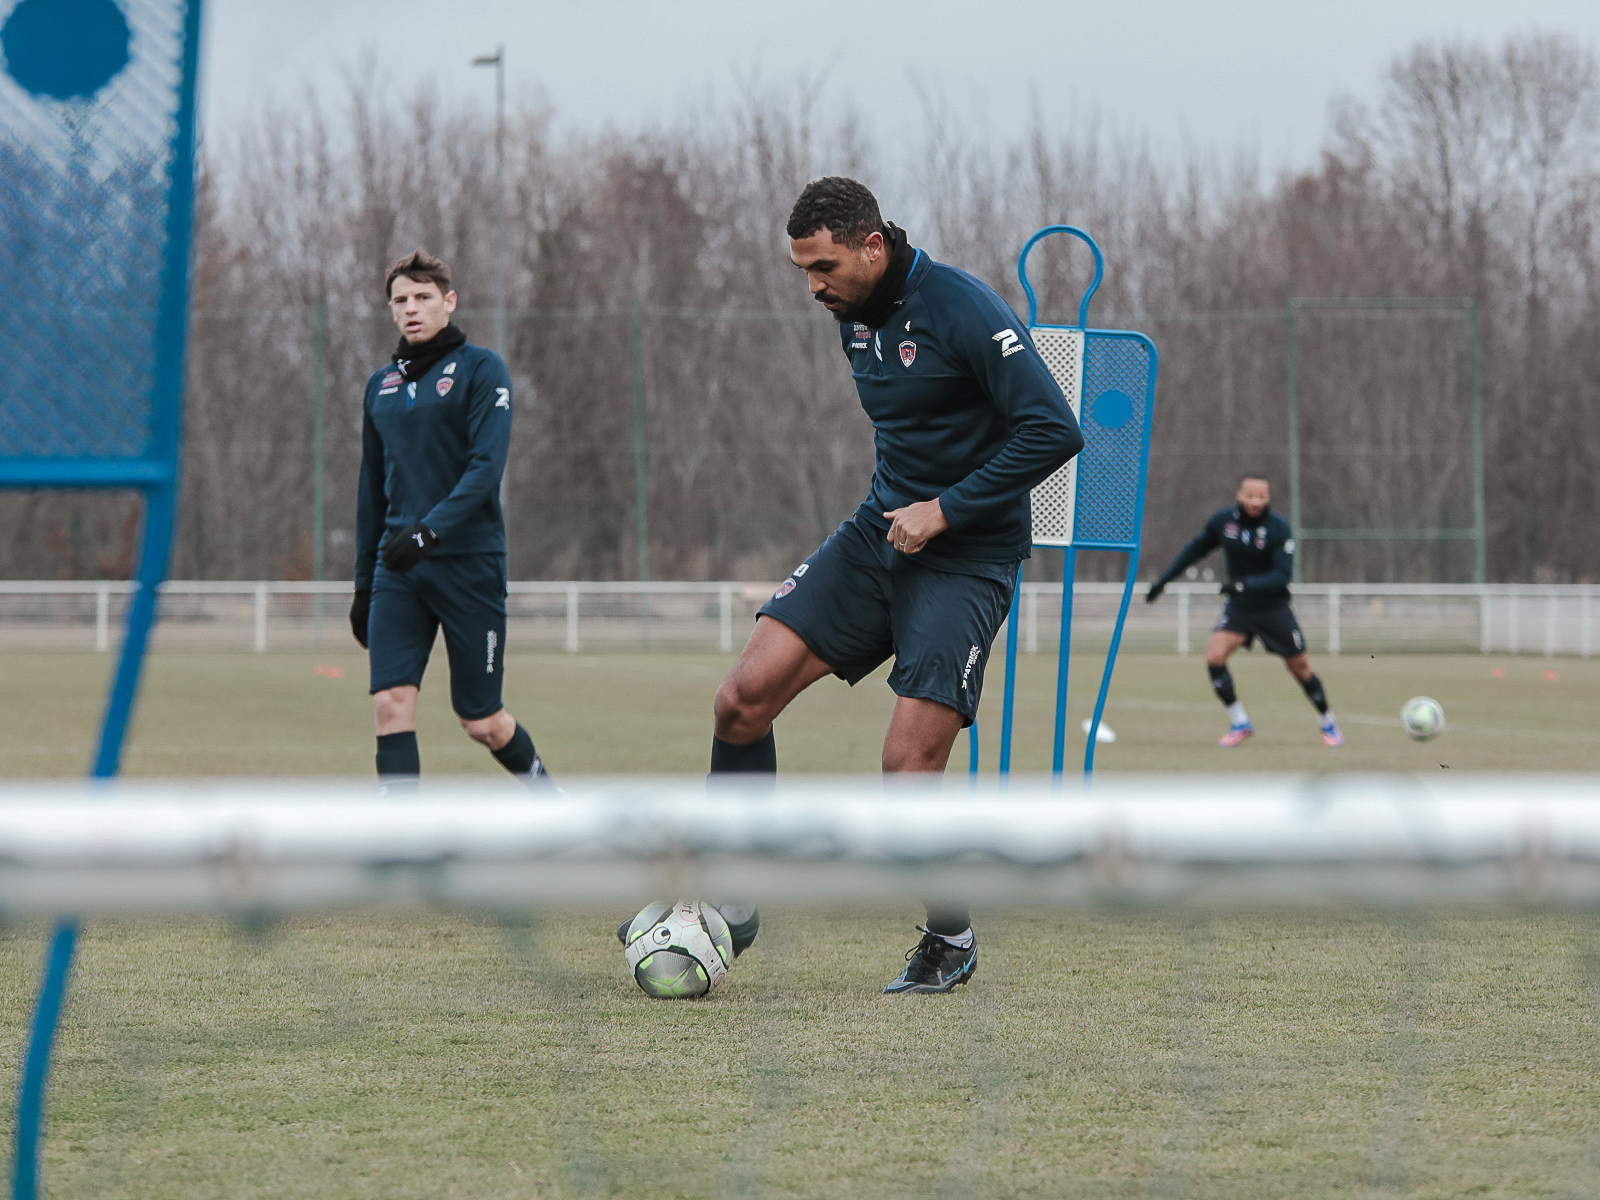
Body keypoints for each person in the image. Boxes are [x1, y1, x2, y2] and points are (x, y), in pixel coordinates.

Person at [684, 176, 1083, 994]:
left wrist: (947, 509)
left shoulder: (964, 308)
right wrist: (907, 509)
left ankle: (951, 935)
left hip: (967, 558)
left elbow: (1055, 429)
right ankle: (734, 894)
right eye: (802, 270)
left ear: (873, 246)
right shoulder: (854, 314)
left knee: (906, 773)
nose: (813, 287)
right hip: (879, 534)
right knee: (740, 701)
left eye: (823, 267)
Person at [349, 249, 553, 791]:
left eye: (423, 297)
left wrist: (428, 532)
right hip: (399, 568)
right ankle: (401, 834)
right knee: (390, 704)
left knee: (482, 721)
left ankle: (551, 800)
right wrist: (364, 586)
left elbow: (486, 470)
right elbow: (371, 490)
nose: (411, 308)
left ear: (450, 302)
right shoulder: (379, 387)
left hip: (469, 565)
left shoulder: (482, 369)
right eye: (401, 300)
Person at [1145, 475, 1342, 748]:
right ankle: (1240, 722)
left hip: (1274, 608)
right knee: (1214, 657)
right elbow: (1195, 550)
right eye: (1250, 496)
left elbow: (1282, 575)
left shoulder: (1278, 528)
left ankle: (1327, 721)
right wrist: (1164, 580)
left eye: (1262, 496)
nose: (1256, 502)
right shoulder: (1223, 522)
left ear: (1268, 498)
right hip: (1240, 609)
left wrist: (1243, 584)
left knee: (1301, 669)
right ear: (1239, 495)